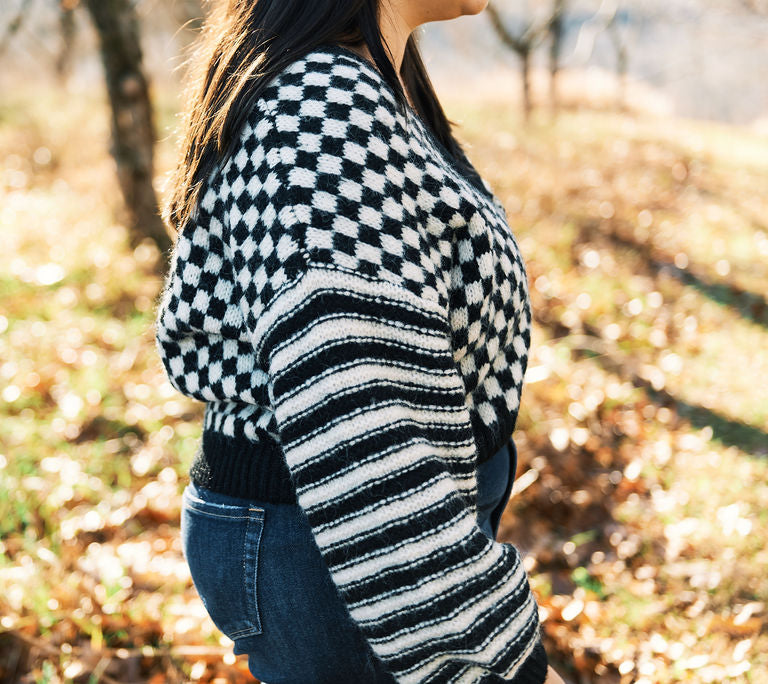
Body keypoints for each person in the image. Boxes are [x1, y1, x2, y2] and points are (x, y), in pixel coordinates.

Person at [154, 1, 568, 682]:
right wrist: (500, 658)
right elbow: (361, 437)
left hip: (349, 538)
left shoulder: (368, 82)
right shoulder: (321, 110)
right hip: (344, 550)